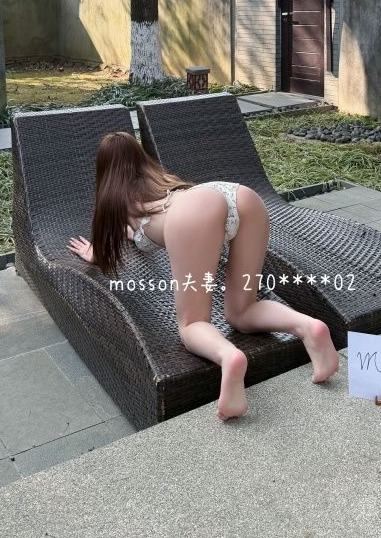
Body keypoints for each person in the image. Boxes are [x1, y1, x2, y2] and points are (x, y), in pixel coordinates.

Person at [68, 131, 339, 420]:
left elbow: (107, 248)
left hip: (194, 213)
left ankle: (229, 357)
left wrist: (94, 254)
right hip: (237, 195)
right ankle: (309, 327)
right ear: (139, 158)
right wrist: (135, 235)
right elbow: (149, 228)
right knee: (243, 311)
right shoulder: (163, 181)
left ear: (103, 169)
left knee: (193, 324)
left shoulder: (115, 202)